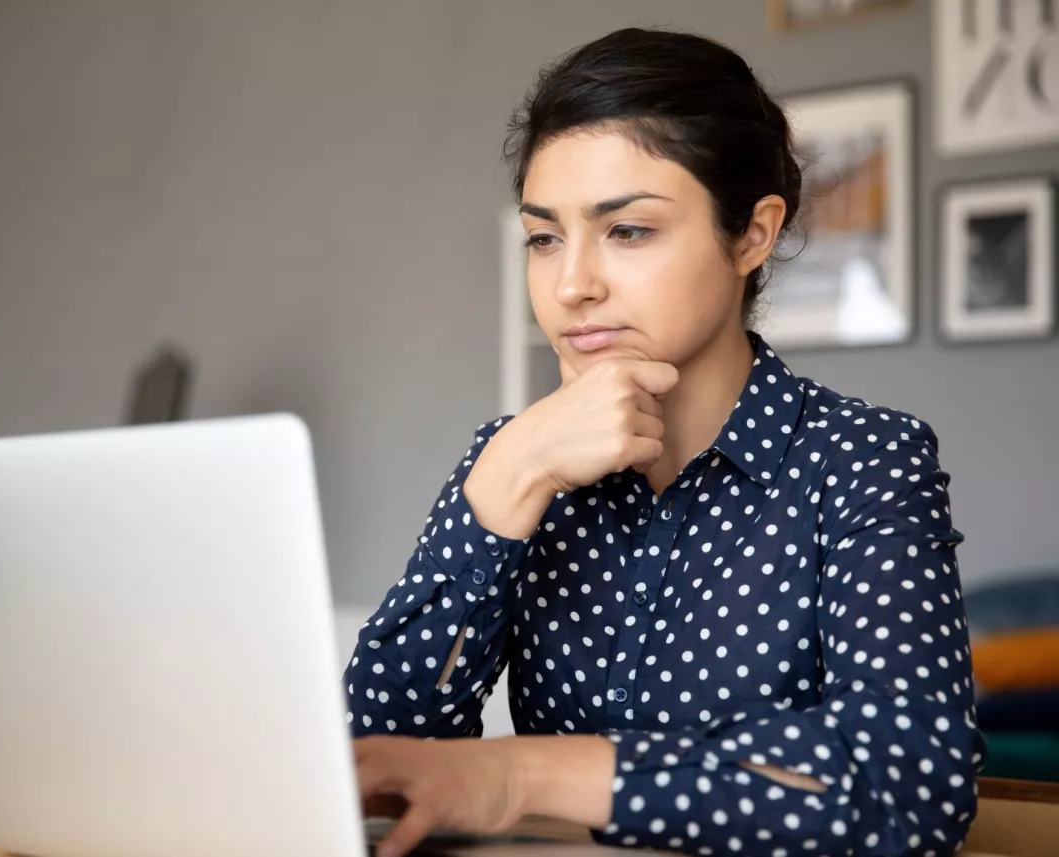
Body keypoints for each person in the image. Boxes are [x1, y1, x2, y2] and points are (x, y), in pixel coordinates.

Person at [346, 27, 984, 857]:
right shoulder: (515, 456)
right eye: (544, 237)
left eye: (629, 231)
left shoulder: (863, 459)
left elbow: (908, 788)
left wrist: (524, 773)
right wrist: (500, 488)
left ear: (752, 234)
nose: (572, 284)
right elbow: (381, 765)